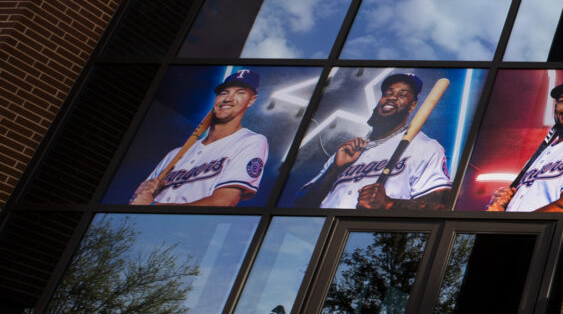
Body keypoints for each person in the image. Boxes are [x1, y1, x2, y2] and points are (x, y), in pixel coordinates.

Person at [297, 71, 452, 211]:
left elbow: (440, 204)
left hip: (371, 232)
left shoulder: (424, 147)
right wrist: (335, 169)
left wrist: (389, 204)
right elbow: (300, 204)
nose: (392, 97)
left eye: (402, 95)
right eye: (388, 93)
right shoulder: (348, 150)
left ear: (412, 106)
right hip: (321, 229)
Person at [131, 69, 269, 207]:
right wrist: (141, 194)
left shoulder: (251, 141)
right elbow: (137, 201)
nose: (228, 98)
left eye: (240, 93)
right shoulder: (174, 154)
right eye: (224, 93)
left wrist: (155, 206)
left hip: (184, 222)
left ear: (251, 100)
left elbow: (224, 202)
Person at [487, 73, 563, 213]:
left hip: (545, 228)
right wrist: (502, 205)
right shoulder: (544, 152)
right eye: (562, 100)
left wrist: (512, 223)